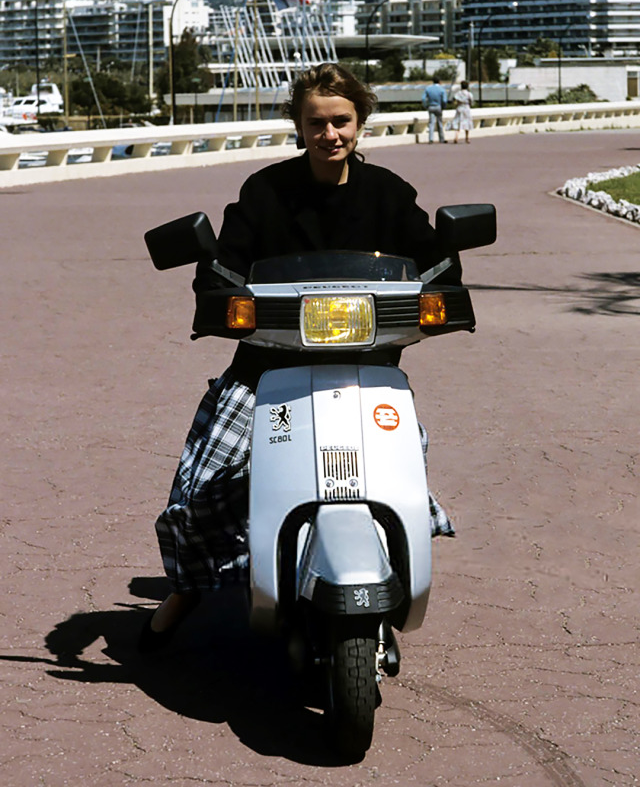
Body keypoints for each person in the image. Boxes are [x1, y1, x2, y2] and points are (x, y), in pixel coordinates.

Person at [138, 63, 459, 653]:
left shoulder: (389, 192)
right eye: (317, 122)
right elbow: (226, 264)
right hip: (266, 370)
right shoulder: (266, 191)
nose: (330, 134)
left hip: (369, 366)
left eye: (341, 121)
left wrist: (439, 286)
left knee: (408, 453)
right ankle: (186, 586)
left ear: (360, 123)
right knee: (202, 481)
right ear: (299, 125)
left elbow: (435, 260)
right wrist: (216, 292)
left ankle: (394, 558)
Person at [421, 76, 448, 144]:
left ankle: (431, 139)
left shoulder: (428, 89)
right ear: (439, 81)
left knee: (431, 123)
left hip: (430, 106)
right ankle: (441, 138)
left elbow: (423, 98)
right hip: (438, 106)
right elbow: (444, 100)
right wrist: (443, 107)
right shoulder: (442, 89)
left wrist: (426, 105)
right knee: (440, 123)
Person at [452, 80, 474, 144]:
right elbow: (471, 101)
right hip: (466, 108)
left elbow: (454, 99)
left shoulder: (458, 93)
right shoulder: (469, 94)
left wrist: (456, 104)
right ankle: (467, 138)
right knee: (467, 122)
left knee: (458, 122)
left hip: (460, 107)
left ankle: (456, 136)